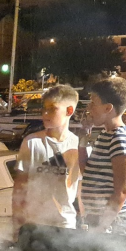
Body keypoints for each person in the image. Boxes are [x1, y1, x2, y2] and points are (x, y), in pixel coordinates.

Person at [12, 84, 81, 234]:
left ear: (69, 111)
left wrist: (85, 219)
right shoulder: (31, 142)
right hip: (35, 223)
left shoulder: (77, 145)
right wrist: (17, 223)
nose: (45, 113)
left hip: (65, 224)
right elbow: (20, 186)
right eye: (44, 108)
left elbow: (78, 187)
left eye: (52, 108)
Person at [78, 76, 126, 235]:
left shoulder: (119, 139)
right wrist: (83, 137)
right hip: (97, 217)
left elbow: (122, 191)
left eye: (93, 103)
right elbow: (86, 171)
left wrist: (102, 227)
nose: (89, 108)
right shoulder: (106, 135)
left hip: (112, 221)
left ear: (108, 108)